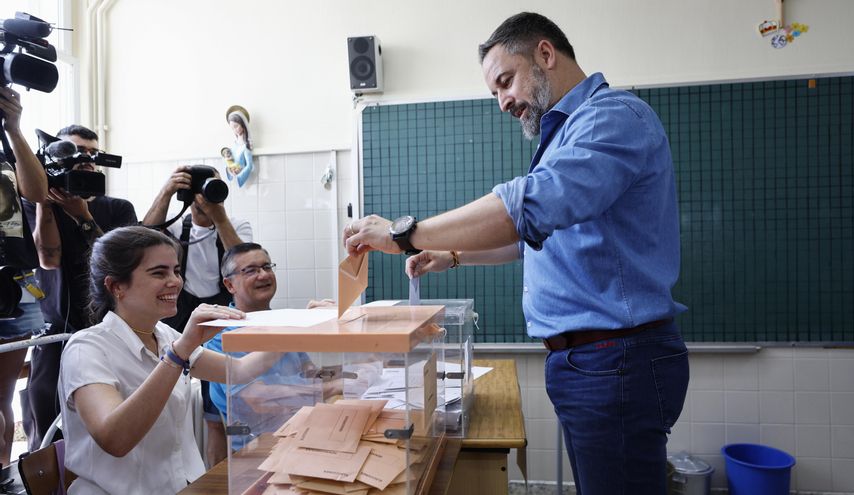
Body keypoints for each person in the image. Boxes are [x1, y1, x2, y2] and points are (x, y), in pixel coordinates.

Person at [343, 12, 689, 494]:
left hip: (616, 360)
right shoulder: (562, 137)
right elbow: (531, 238)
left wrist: (405, 234)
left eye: (506, 82)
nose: (503, 101)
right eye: (495, 93)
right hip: (591, 362)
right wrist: (451, 254)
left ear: (545, 55)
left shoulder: (611, 117)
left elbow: (525, 206)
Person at [58, 226, 279, 494]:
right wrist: (179, 352)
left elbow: (240, 370)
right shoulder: (87, 348)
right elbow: (115, 439)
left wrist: (304, 327)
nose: (175, 281)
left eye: (175, 270)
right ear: (116, 286)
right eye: (159, 273)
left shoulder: (163, 334)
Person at [22, 124, 137, 451]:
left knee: (110, 417)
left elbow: (126, 264)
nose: (85, 160)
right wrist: (46, 201)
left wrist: (84, 217)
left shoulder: (117, 208)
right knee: (47, 423)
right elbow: (48, 259)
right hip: (54, 332)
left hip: (112, 330)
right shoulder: (35, 203)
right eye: (75, 152)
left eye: (91, 154)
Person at [142, 164, 251, 465]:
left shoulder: (236, 224)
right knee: (171, 384)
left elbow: (241, 262)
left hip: (221, 310)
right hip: (179, 311)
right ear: (188, 194)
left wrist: (219, 217)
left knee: (218, 412)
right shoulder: (176, 227)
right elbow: (143, 237)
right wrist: (166, 193)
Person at [203, 242, 333, 453]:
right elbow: (259, 399)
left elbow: (311, 374)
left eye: (267, 267)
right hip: (257, 454)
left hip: (303, 438)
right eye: (251, 271)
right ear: (229, 285)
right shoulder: (221, 337)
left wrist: (356, 373)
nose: (263, 275)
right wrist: (334, 387)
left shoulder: (282, 323)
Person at [0, 86, 47, 467]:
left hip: (14, 279)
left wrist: (14, 128)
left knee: (3, 397)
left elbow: (36, 192)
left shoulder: (5, 144)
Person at [225, 106, 253, 187]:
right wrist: (230, 168)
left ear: (243, 125)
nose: (235, 130)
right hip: (234, 173)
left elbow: (249, 166)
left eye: (236, 126)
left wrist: (239, 178)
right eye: (232, 128)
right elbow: (230, 160)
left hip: (241, 178)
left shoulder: (246, 145)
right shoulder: (234, 144)